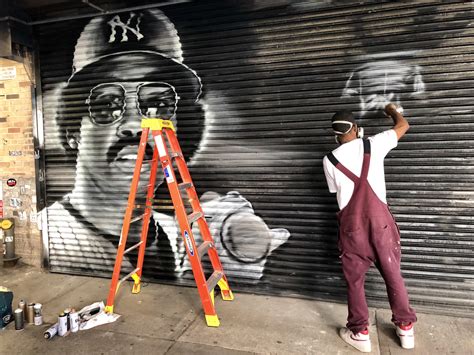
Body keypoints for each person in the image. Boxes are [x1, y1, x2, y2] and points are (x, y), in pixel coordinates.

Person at [46, 9, 289, 283]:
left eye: (158, 104)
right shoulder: (51, 240)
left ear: (183, 129)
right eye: (107, 105)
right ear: (72, 132)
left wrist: (236, 253)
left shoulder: (177, 234)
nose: (136, 125)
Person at [322, 103, 417, 353]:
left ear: (336, 135)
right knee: (392, 273)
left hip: (352, 229)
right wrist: (391, 110)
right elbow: (403, 125)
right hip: (381, 225)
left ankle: (360, 333)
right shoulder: (373, 144)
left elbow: (337, 192)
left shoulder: (329, 160)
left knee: (355, 282)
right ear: (356, 128)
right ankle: (406, 329)